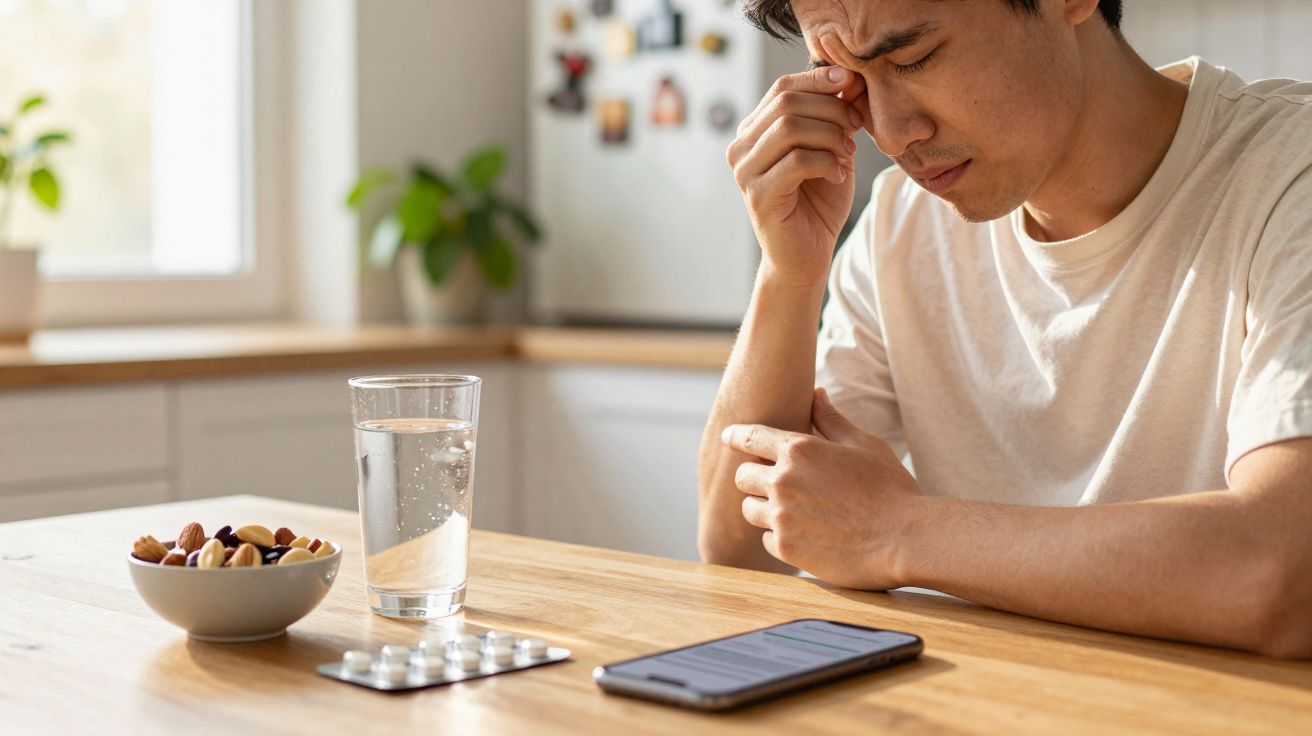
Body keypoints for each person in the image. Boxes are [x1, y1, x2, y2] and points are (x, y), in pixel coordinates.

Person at [698, 0, 1312, 658]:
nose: (892, 134)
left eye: (913, 58)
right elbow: (739, 549)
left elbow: (1283, 575)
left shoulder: (1286, 175)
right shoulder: (899, 223)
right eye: (847, 83)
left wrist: (899, 532)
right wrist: (788, 275)